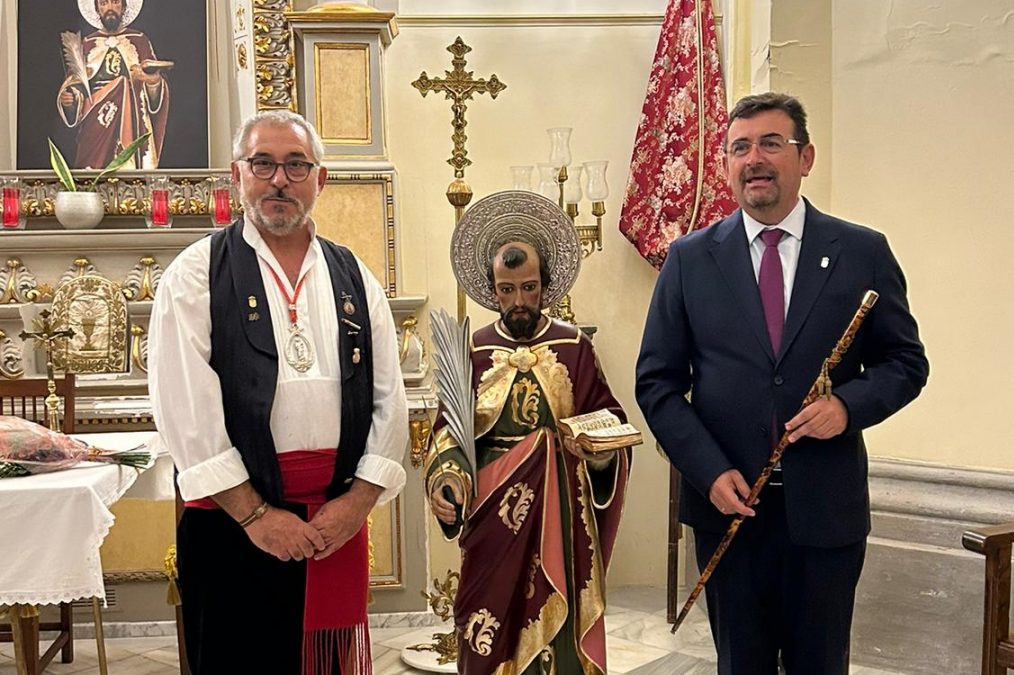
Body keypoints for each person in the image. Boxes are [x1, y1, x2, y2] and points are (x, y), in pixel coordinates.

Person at [636, 92, 929, 675]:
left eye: (772, 143)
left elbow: (905, 362)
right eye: (739, 148)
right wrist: (708, 470)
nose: (755, 159)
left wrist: (846, 406)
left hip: (826, 514)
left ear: (806, 156)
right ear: (725, 166)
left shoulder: (861, 252)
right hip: (729, 510)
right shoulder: (690, 260)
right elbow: (658, 383)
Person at [148, 110, 407, 674]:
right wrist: (255, 516)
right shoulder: (196, 274)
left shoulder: (355, 276)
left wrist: (357, 504)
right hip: (231, 524)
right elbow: (184, 410)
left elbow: (390, 399)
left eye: (296, 165)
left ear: (321, 179)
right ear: (236, 175)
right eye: (262, 163)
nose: (279, 179)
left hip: (333, 523)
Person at [425, 191, 631, 675]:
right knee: (487, 616)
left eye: (530, 288)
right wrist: (447, 481)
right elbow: (447, 434)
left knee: (553, 624)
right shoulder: (471, 350)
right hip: (493, 512)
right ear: (490, 289)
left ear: (547, 284)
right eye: (506, 289)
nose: (519, 301)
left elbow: (607, 419)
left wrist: (599, 455)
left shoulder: (574, 346)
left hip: (559, 509)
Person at [57, 0, 169, 169]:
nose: (109, 8)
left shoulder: (139, 41)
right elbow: (75, 87)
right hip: (96, 120)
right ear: (97, 9)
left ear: (124, 7)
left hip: (132, 117)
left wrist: (153, 84)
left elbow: (154, 82)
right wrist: (70, 100)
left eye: (115, 2)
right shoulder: (86, 44)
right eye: (103, 3)